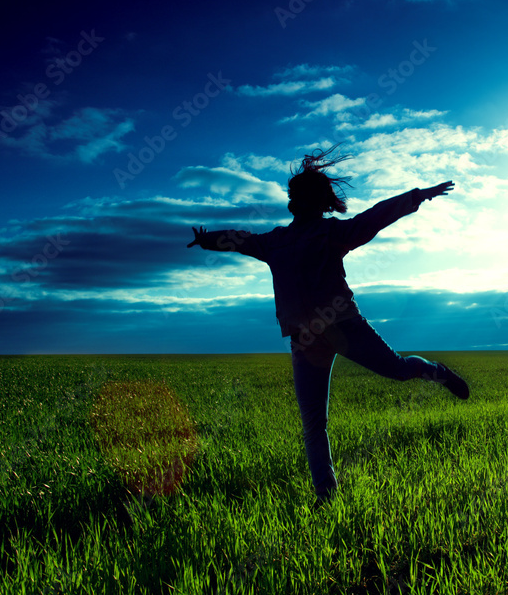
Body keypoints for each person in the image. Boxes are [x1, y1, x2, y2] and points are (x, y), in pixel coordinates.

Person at [187, 145, 469, 509]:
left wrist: (417, 197)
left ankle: (437, 373)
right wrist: (207, 239)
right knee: (313, 424)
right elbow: (240, 240)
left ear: (316, 202)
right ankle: (327, 498)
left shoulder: (330, 234)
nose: (299, 202)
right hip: (304, 341)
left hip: (344, 326)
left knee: (398, 370)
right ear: (294, 203)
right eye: (296, 197)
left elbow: (375, 218)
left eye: (305, 197)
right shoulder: (276, 241)